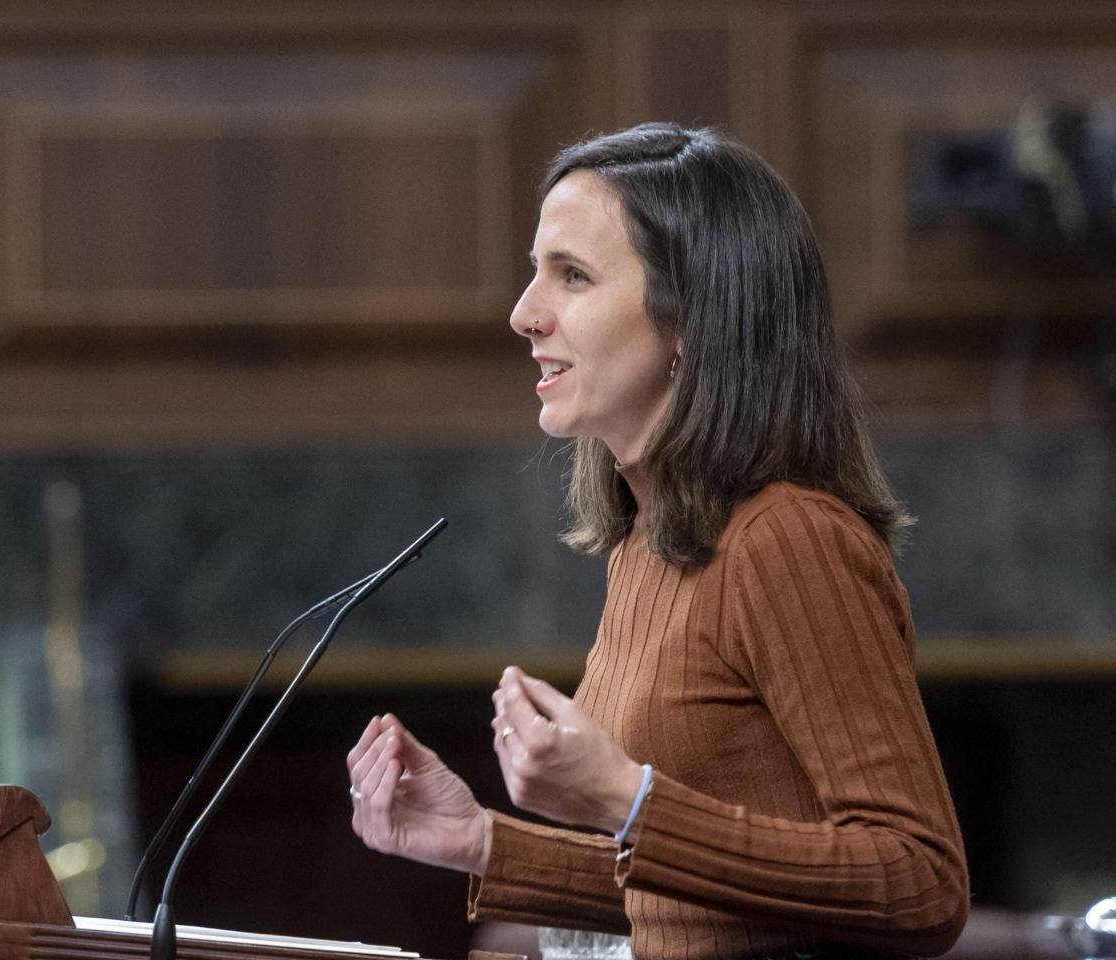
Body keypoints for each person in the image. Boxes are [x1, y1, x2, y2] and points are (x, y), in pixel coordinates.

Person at [343, 124, 970, 960]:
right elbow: (693, 899)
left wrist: (624, 798)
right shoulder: (651, 546)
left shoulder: (788, 541)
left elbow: (920, 880)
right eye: (537, 274)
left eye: (572, 276)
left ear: (691, 319)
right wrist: (481, 841)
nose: (524, 314)